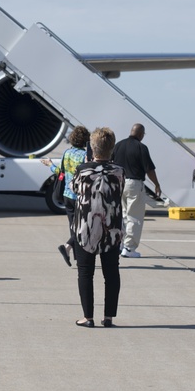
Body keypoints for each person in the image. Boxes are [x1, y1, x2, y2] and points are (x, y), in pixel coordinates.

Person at [71, 127, 124, 328]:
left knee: (85, 272)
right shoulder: (119, 171)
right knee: (111, 272)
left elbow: (75, 189)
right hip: (112, 227)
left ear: (92, 148)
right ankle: (108, 316)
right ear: (112, 149)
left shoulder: (82, 170)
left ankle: (88, 316)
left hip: (86, 226)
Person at [111, 123, 162, 259]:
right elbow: (149, 169)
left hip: (119, 182)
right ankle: (129, 248)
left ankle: (120, 244)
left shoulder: (119, 145)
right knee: (135, 216)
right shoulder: (141, 147)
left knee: (123, 215)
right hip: (134, 183)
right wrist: (156, 184)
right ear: (141, 134)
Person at [41, 125, 89, 267]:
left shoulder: (67, 153)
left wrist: (50, 164)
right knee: (83, 227)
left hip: (67, 195)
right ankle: (68, 247)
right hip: (80, 195)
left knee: (73, 225)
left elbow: (60, 173)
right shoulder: (85, 156)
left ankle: (76, 256)